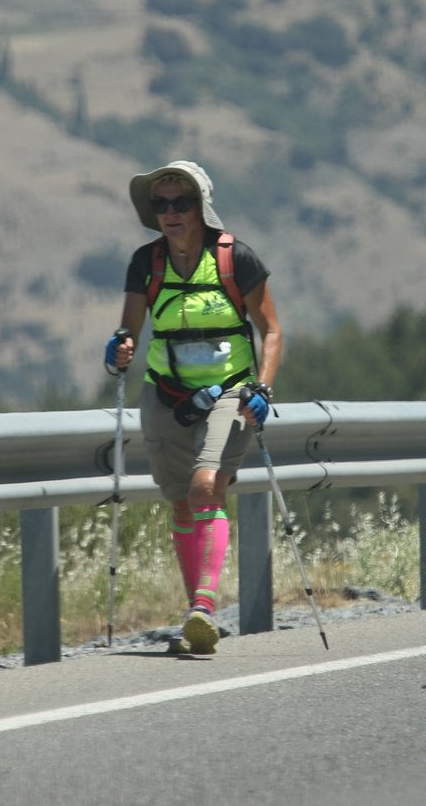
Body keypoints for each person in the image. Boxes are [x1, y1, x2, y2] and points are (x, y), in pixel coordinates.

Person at [102, 160, 283, 655]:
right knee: (180, 500)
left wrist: (263, 389)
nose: (170, 212)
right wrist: (120, 348)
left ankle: (203, 606)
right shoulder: (146, 263)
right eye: (161, 204)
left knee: (206, 487)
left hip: (232, 392)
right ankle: (195, 617)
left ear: (201, 207)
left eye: (181, 203)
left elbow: (271, 330)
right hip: (166, 394)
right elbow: (128, 331)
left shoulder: (235, 259)